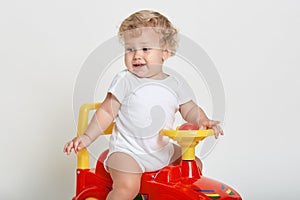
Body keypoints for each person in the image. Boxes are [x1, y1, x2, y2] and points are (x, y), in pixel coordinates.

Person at [64, 10, 224, 200]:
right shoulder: (125, 80)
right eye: (130, 49)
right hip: (128, 152)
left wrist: (203, 120)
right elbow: (107, 111)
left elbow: (190, 109)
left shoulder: (175, 84)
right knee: (128, 186)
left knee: (194, 165)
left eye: (145, 49)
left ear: (165, 53)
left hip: (163, 150)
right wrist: (87, 137)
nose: (137, 56)